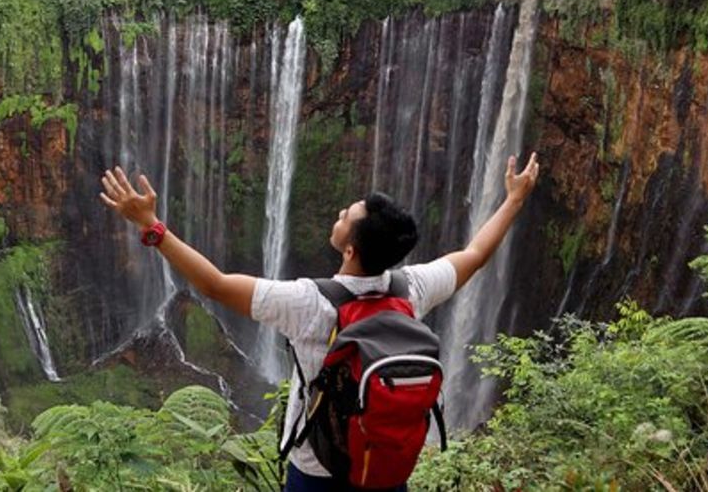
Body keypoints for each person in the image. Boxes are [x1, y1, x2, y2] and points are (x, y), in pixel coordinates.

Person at [98, 150, 541, 491]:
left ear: (350, 248)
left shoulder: (307, 303)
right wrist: (513, 200)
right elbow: (475, 255)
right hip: (384, 466)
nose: (340, 215)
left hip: (317, 471)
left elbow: (214, 284)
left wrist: (152, 226)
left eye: (346, 216)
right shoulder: (414, 288)